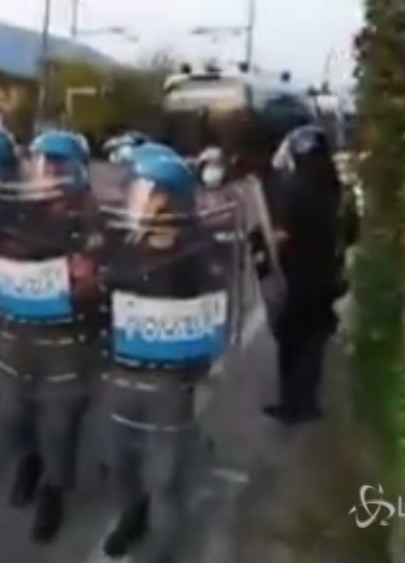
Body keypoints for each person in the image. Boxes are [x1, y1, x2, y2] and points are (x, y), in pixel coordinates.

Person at [0, 127, 100, 542]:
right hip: (15, 338)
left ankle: (53, 490)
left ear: (76, 170)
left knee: (59, 426)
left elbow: (107, 275)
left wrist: (90, 281)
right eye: (40, 164)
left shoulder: (92, 222)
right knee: (12, 416)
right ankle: (28, 461)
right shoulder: (13, 212)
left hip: (66, 344)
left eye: (56, 166)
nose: (46, 173)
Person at [98, 144, 227, 563]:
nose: (136, 198)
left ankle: (163, 547)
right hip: (122, 372)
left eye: (145, 191)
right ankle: (131, 514)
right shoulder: (122, 244)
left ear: (169, 198)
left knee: (165, 475)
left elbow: (213, 317)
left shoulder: (199, 252)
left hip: (169, 382)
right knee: (119, 459)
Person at [263, 125, 350, 424]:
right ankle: (309, 403)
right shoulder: (333, 187)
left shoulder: (291, 187)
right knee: (315, 341)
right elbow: (349, 228)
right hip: (327, 275)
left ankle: (290, 405)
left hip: (295, 277)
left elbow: (282, 235)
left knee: (291, 342)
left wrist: (264, 244)